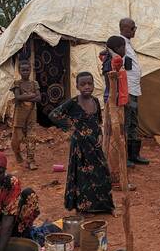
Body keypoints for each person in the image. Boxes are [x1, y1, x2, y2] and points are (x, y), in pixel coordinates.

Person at [49, 72, 115, 214]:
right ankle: (83, 208)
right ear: (77, 86)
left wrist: (100, 135)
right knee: (82, 176)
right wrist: (70, 127)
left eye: (89, 83)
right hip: (79, 146)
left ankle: (105, 206)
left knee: (102, 172)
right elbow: (54, 115)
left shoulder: (96, 101)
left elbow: (98, 122)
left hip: (94, 144)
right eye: (83, 84)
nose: (87, 87)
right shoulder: (73, 103)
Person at [99, 35, 135, 190]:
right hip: (114, 104)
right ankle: (115, 180)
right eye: (123, 47)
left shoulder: (111, 60)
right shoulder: (113, 62)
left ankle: (110, 176)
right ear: (118, 48)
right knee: (116, 140)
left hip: (113, 102)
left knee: (113, 139)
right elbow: (112, 85)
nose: (125, 49)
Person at [119, 18, 149, 166]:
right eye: (132, 28)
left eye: (134, 28)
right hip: (127, 90)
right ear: (124, 28)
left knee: (133, 122)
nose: (134, 30)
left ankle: (133, 154)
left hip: (134, 89)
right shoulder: (119, 43)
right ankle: (125, 157)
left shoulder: (128, 44)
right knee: (127, 122)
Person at [11, 60, 41, 170]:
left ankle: (31, 160)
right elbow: (18, 97)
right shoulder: (17, 83)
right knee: (17, 138)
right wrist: (32, 95)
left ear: (30, 70)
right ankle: (17, 152)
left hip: (31, 114)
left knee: (31, 137)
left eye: (27, 70)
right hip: (19, 114)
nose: (25, 72)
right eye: (23, 70)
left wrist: (26, 96)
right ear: (19, 71)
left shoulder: (35, 83)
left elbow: (39, 98)